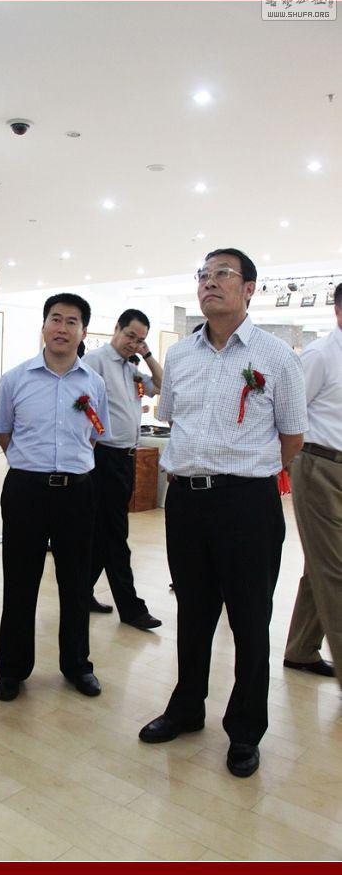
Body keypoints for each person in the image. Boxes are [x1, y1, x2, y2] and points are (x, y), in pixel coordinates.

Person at [138, 248, 307, 778]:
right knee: (193, 611)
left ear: (249, 289)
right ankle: (187, 708)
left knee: (250, 619)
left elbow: (293, 436)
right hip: (187, 502)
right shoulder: (180, 356)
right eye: (203, 275)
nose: (210, 283)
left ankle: (245, 730)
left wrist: (247, 476)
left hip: (247, 504)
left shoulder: (276, 356)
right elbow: (175, 420)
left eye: (223, 275)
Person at [0, 293, 110, 702]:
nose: (62, 328)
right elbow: (4, 433)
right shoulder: (15, 379)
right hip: (25, 490)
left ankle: (77, 665)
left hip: (77, 492)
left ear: (83, 331)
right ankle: (12, 669)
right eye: (55, 319)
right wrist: (33, 466)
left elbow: (96, 434)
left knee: (76, 583)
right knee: (19, 581)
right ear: (43, 326)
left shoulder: (94, 383)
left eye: (71, 321)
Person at [82, 309, 163, 628]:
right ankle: (131, 608)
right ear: (116, 328)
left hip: (126, 458)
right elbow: (81, 404)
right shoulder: (96, 361)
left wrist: (148, 354)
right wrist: (93, 438)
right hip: (103, 457)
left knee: (104, 533)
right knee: (116, 533)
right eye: (130, 335)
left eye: (140, 340)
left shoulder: (132, 368)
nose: (134, 343)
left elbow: (163, 385)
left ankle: (81, 593)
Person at [283, 282, 342, 684]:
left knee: (322, 565)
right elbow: (290, 411)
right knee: (336, 570)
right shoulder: (321, 354)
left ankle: (302, 649)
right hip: (319, 466)